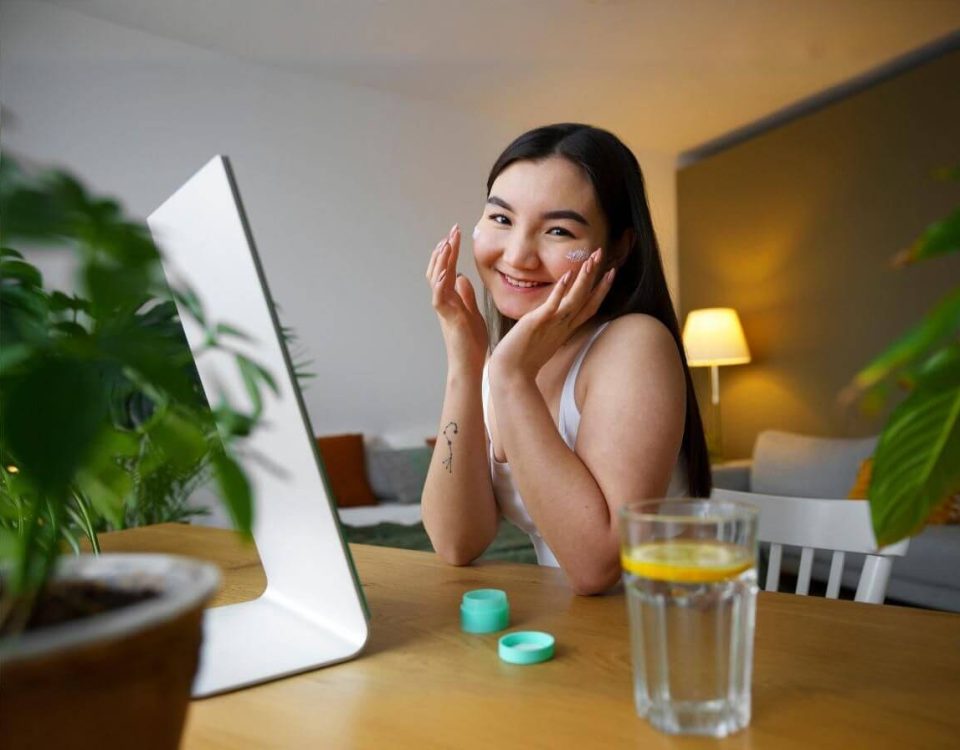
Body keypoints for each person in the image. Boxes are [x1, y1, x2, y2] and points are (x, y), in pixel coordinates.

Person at [421, 123, 711, 595]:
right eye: (501, 219)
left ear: (617, 248)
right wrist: (465, 366)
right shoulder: (505, 361)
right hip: (573, 627)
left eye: (558, 230)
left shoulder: (635, 344)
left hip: (666, 625)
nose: (518, 255)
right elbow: (457, 541)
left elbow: (597, 567)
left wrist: (511, 377)